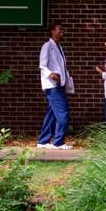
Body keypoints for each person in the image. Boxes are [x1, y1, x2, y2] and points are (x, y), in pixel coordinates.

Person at [37, 21, 73, 150]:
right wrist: (50, 74)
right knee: (64, 111)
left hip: (59, 84)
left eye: (62, 29)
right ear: (53, 31)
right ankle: (58, 142)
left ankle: (43, 141)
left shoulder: (59, 47)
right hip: (52, 85)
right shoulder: (47, 46)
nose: (62, 31)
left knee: (52, 113)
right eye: (60, 29)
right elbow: (42, 65)